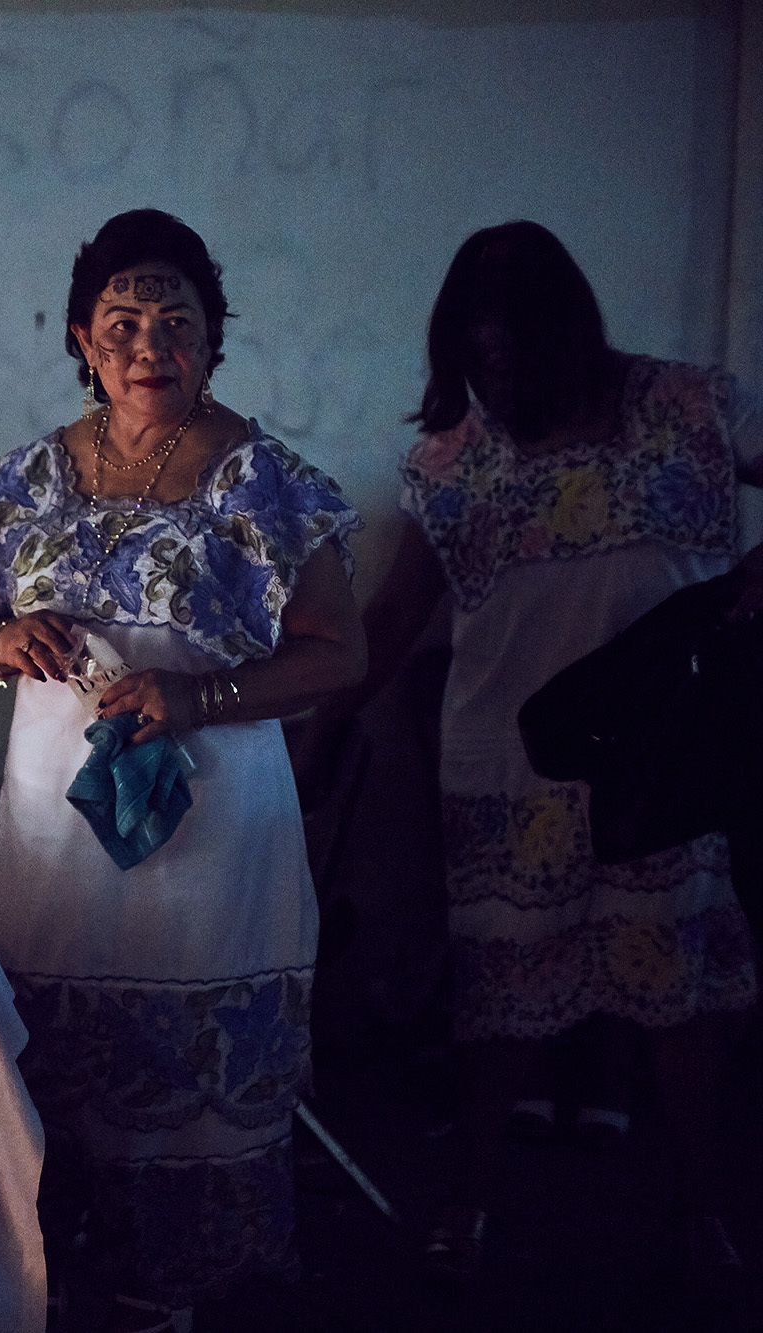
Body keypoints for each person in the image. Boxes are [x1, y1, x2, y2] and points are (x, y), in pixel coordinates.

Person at [297, 220, 763, 1286]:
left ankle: (700, 1210)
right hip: (509, 766)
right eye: (471, 348)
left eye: (513, 345)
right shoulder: (446, 464)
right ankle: (467, 1199)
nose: (492, 367)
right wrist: (324, 731)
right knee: (499, 998)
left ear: (570, 333)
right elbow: (397, 612)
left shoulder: (689, 409)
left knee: (675, 995)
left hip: (667, 760)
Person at [0, 209, 366, 1333]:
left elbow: (341, 648)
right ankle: (55, 1284)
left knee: (187, 1095)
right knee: (54, 1053)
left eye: (174, 320)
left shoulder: (264, 481)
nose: (148, 344)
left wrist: (199, 696)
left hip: (215, 825)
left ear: (211, 338)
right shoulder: (30, 476)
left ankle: (171, 1297)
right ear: (82, 337)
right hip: (50, 819)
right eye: (122, 321)